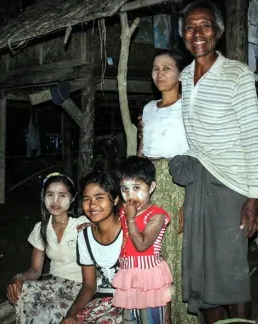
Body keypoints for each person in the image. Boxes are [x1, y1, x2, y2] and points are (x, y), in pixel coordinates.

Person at [170, 1, 258, 323]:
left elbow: (253, 138)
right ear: (182, 34)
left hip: (231, 185)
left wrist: (253, 198)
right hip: (199, 182)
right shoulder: (184, 76)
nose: (197, 34)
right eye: (190, 27)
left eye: (205, 26)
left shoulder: (237, 74)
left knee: (230, 272)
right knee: (200, 268)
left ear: (218, 32)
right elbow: (192, 137)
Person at [137, 49, 195, 323]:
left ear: (181, 75)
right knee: (152, 252)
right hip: (151, 185)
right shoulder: (148, 109)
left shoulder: (190, 108)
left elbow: (197, 155)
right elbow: (142, 152)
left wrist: (189, 200)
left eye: (167, 68)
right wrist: (136, 189)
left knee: (177, 250)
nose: (159, 74)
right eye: (155, 68)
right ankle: (155, 315)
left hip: (179, 184)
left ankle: (183, 316)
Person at [6, 172, 89, 324]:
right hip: (55, 283)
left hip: (81, 287)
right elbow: (36, 271)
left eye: (62, 195)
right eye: (50, 194)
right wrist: (18, 278)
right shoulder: (41, 228)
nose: (55, 200)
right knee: (23, 292)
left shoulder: (83, 224)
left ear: (72, 199)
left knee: (50, 312)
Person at [112, 156, 173, 323]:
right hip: (129, 276)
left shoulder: (157, 215)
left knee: (151, 319)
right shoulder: (125, 212)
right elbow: (114, 228)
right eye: (124, 189)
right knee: (129, 320)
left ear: (152, 187)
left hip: (149, 278)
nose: (130, 195)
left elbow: (142, 244)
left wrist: (130, 219)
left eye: (137, 188)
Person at [61, 171, 123, 324]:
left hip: (130, 301)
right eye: (86, 199)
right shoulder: (85, 236)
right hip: (103, 299)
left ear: (115, 199)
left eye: (99, 198)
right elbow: (89, 285)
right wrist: (71, 314)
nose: (92, 205)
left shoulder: (129, 231)